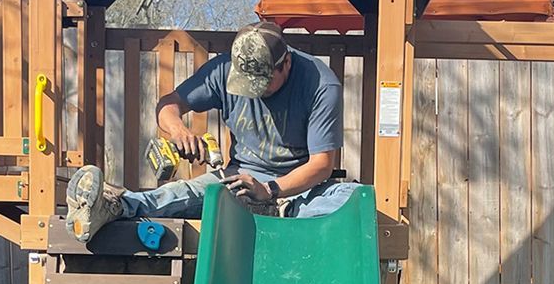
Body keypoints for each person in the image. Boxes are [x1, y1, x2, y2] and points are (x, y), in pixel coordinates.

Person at [65, 22, 360, 239]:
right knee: (180, 194)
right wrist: (178, 130)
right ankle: (110, 205)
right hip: (238, 179)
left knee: (352, 199)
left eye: (262, 83)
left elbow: (322, 164)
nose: (253, 93)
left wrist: (270, 191)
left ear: (286, 64)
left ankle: (277, 210)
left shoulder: (321, 85)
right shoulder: (225, 69)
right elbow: (168, 105)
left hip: (296, 189)